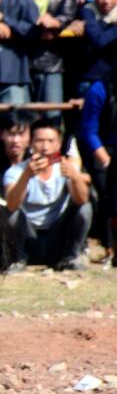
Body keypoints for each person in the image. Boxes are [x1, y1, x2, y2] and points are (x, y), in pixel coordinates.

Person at [4, 118, 93, 271]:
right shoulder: (16, 172)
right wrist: (26, 176)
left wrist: (75, 176)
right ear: (30, 143)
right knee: (9, 213)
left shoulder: (66, 168)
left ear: (59, 143)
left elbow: (82, 199)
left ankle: (71, 258)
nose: (45, 147)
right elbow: (11, 205)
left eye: (51, 141)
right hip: (28, 236)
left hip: (57, 234)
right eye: (39, 141)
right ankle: (17, 259)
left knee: (85, 208)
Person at [16, 0, 82, 108]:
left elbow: (68, 14)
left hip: (53, 60)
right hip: (20, 57)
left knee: (52, 112)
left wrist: (54, 23)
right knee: (22, 114)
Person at [78, 72, 117, 264]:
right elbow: (89, 130)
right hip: (105, 150)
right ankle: (111, 249)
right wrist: (107, 160)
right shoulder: (100, 88)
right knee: (109, 199)